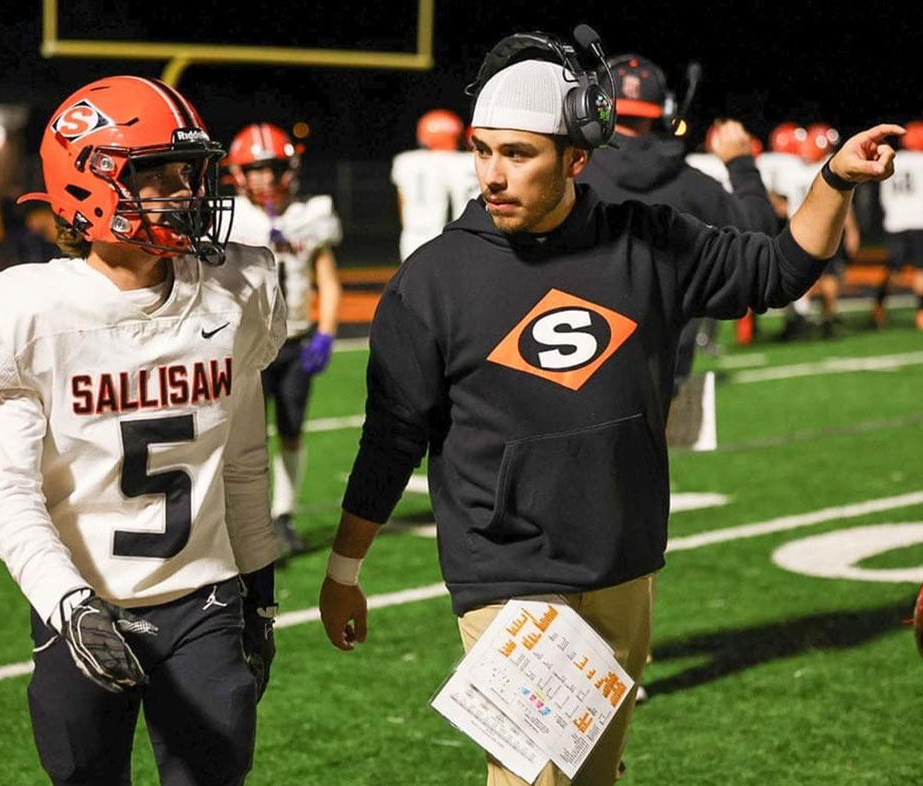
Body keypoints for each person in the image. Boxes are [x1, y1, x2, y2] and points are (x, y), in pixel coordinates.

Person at [316, 30, 900, 786]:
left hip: (624, 556)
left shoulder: (648, 242)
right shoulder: (434, 280)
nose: (493, 175)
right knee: (532, 778)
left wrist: (835, 179)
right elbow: (392, 438)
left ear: (577, 157)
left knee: (594, 775)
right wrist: (343, 568)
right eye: (483, 150)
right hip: (510, 571)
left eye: (518, 154)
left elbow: (780, 268)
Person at [0, 76, 285, 786]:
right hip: (81, 601)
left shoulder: (237, 290)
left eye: (190, 171)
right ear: (86, 185)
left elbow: (244, 462)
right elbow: (8, 499)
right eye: (155, 173)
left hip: (205, 601)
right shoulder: (27, 311)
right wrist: (71, 607)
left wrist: (260, 588)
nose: (188, 192)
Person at [578, 53, 777, 393]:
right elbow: (760, 240)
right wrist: (742, 165)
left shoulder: (570, 173)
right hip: (666, 374)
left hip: (577, 363)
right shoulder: (689, 182)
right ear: (668, 111)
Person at [226, 122, 343, 556]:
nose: (266, 178)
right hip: (245, 348)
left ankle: (284, 514)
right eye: (255, 169)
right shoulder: (231, 217)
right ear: (239, 173)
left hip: (295, 340)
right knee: (241, 437)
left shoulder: (310, 215)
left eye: (273, 168)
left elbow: (327, 280)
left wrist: (326, 334)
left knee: (291, 430)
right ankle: (243, 518)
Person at [773, 122, 861, 337]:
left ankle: (800, 318)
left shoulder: (791, 169)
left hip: (799, 229)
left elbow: (780, 205)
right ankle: (828, 319)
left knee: (800, 275)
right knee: (829, 276)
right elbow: (842, 203)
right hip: (829, 226)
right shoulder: (828, 166)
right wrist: (852, 229)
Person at [391, 109, 480, 261]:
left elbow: (402, 202)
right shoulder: (468, 162)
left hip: (414, 234)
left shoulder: (405, 161)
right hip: (465, 232)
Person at [876, 120, 923, 330]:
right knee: (921, 270)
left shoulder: (893, 157)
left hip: (895, 221)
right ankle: (921, 312)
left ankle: (879, 303)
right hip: (918, 219)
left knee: (893, 270)